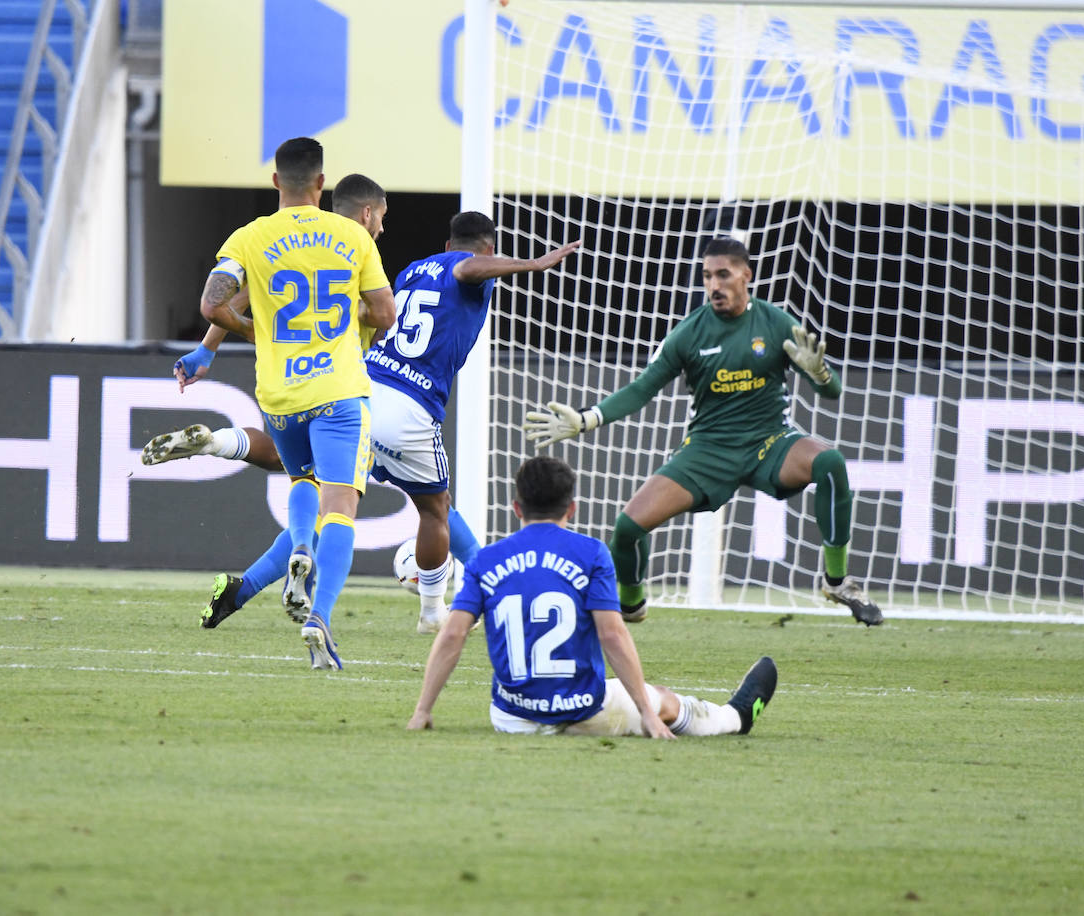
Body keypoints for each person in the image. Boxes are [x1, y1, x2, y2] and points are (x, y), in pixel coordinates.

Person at [148, 210, 579, 636]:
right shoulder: (457, 264)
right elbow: (468, 268)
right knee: (434, 507)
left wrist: (208, 348)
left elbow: (247, 296)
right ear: (487, 250)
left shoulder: (410, 271)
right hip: (410, 402)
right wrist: (531, 264)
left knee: (311, 487)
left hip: (361, 385)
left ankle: (223, 466)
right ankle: (435, 611)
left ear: (446, 242)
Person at [523, 236, 883, 626]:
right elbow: (642, 388)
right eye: (707, 276)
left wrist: (820, 372)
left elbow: (832, 391)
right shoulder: (690, 333)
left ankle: (837, 580)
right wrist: (587, 418)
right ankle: (630, 605)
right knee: (628, 528)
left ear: (746, 275)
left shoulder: (775, 322)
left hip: (769, 442)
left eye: (723, 275)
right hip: (708, 451)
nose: (714, 285)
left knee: (829, 461)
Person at [200, 138, 396, 670]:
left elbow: (214, 305)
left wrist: (256, 329)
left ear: (274, 182)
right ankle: (321, 618)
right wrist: (342, 317)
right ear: (320, 183)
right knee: (343, 507)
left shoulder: (249, 237)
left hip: (280, 396)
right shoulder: (352, 235)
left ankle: (296, 549)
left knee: (302, 485)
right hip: (337, 391)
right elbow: (384, 313)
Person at [406, 456, 777, 738]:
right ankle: (734, 718)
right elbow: (612, 634)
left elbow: (453, 635)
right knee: (661, 697)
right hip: (583, 713)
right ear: (571, 509)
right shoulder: (592, 553)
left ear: (516, 508)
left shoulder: (485, 561)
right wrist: (646, 710)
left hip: (511, 718)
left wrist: (423, 710)